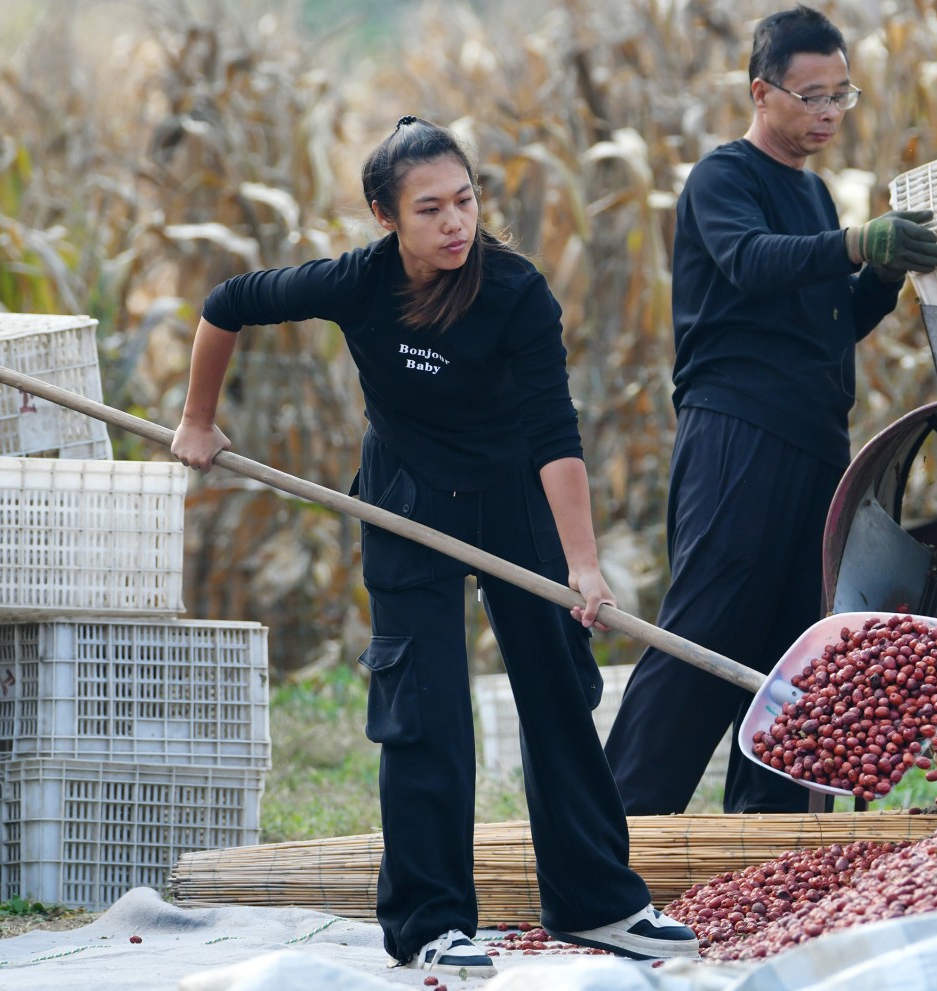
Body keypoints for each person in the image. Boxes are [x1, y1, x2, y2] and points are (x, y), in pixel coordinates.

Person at [170, 117, 699, 976]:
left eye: (466, 200)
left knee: (559, 690)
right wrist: (197, 418)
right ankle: (431, 921)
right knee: (426, 712)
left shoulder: (516, 291)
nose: (455, 222)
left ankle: (599, 902)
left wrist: (583, 562)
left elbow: (554, 432)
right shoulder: (357, 281)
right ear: (386, 216)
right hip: (407, 501)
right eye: (430, 209)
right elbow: (227, 304)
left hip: (510, 500)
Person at [603, 5, 937, 815]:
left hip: (816, 443)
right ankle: (614, 832)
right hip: (737, 435)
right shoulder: (724, 180)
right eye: (812, 96)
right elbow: (750, 263)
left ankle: (769, 842)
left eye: (841, 97)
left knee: (801, 653)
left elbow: (828, 324)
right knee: (706, 633)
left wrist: (885, 274)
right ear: (763, 93)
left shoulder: (815, 194)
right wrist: (858, 244)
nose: (828, 113)